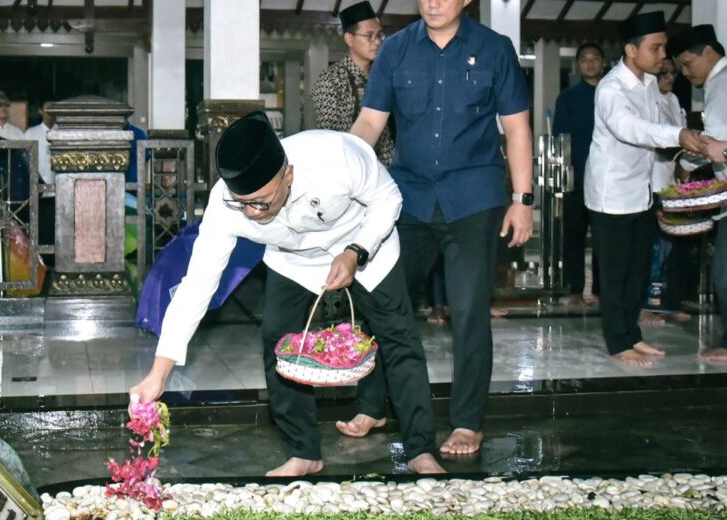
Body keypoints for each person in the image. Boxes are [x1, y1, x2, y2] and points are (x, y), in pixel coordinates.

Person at [129, 112, 444, 476]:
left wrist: (356, 251)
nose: (251, 212)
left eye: (261, 202)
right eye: (242, 202)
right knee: (277, 343)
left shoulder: (335, 156)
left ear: (288, 175)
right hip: (292, 260)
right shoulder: (224, 206)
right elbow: (197, 284)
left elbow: (389, 198)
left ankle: (421, 450)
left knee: (399, 338)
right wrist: (159, 371)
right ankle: (304, 451)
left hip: (365, 245)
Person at [348, 0, 533, 456]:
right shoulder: (394, 50)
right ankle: (374, 405)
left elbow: (516, 128)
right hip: (408, 198)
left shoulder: (495, 49)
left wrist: (523, 200)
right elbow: (371, 122)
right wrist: (342, 172)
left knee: (469, 311)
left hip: (473, 199)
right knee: (384, 301)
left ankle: (468, 422)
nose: (432, 2)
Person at [584, 12, 706, 368]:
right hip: (611, 194)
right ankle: (617, 341)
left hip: (642, 189)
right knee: (615, 271)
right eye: (656, 48)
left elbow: (659, 128)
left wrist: (689, 141)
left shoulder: (650, 83)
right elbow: (631, 129)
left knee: (638, 269)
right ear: (631, 50)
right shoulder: (611, 88)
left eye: (664, 47)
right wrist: (678, 136)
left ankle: (632, 333)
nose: (663, 55)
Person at [667, 24, 727, 363]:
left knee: (725, 272)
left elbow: (714, 140)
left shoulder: (721, 83)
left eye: (688, 64)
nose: (686, 73)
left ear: (709, 52)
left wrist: (685, 160)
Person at [310, 1, 394, 166]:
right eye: (369, 36)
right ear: (349, 39)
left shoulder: (383, 76)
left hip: (389, 172)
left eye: (379, 35)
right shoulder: (330, 81)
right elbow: (333, 139)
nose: (376, 42)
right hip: (353, 171)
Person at [640, 57, 691, 326]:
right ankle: (647, 304)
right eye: (665, 73)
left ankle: (669, 302)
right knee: (654, 247)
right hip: (651, 183)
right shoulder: (647, 101)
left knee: (672, 246)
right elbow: (658, 140)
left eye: (673, 74)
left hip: (672, 184)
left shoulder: (673, 101)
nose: (670, 78)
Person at [553, 43, 605, 306]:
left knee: (603, 236)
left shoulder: (612, 94)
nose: (590, 63)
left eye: (595, 58)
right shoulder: (568, 97)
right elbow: (560, 137)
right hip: (577, 176)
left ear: (603, 63)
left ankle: (600, 290)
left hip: (608, 179)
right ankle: (574, 290)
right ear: (578, 65)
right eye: (584, 59)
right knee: (573, 234)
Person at [24, 101, 55, 184]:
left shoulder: (63, 132)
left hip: (59, 185)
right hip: (36, 186)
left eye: (53, 107)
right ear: (40, 111)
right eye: (47, 108)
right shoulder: (30, 133)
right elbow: (25, 160)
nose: (50, 110)